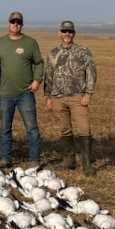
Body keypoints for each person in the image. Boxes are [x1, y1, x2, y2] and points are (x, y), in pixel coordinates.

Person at [43, 20, 98, 175]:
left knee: (84, 129)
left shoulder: (83, 51)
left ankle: (87, 164)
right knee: (64, 129)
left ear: (74, 33)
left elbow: (91, 73)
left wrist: (88, 93)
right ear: (59, 33)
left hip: (77, 97)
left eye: (70, 31)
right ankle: (69, 161)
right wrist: (47, 96)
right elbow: (48, 76)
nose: (67, 34)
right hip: (57, 98)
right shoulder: (53, 53)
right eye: (64, 31)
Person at [0, 12, 44, 166]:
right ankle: (5, 158)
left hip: (25, 93)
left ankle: (34, 159)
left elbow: (39, 63)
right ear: (8, 23)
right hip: (5, 93)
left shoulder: (30, 43)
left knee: (31, 128)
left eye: (18, 22)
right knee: (4, 128)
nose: (15, 24)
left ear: (22, 24)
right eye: (12, 21)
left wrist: (37, 80)